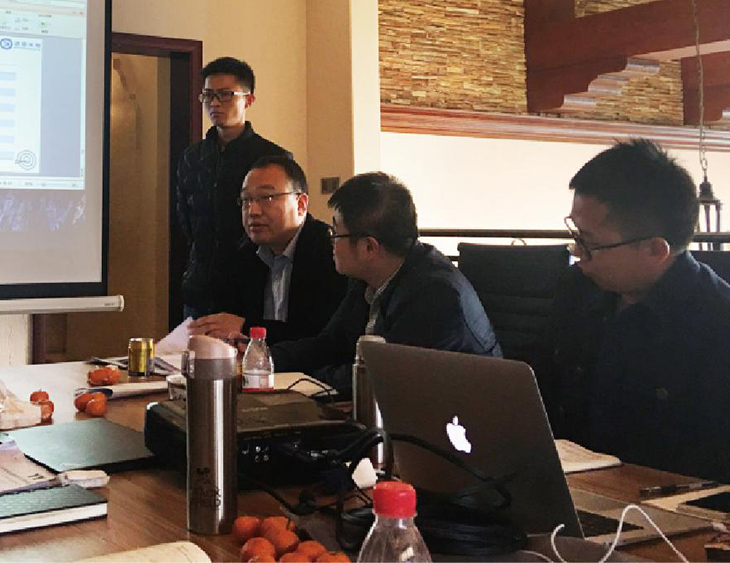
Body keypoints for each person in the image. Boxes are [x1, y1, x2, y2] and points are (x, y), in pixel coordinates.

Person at [550, 139, 730, 485]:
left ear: (655, 250)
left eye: (590, 243)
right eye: (575, 233)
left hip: (666, 507)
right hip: (573, 489)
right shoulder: (578, 291)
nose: (576, 251)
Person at [270, 172, 500, 397]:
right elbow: (330, 344)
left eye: (335, 233)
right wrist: (267, 359)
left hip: (461, 414)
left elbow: (383, 377)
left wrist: (308, 378)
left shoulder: (436, 295)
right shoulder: (367, 276)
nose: (331, 242)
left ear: (369, 247)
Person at [176, 56, 291, 319]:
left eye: (225, 95)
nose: (215, 103)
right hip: (199, 289)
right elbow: (185, 221)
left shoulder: (273, 158)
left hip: (252, 286)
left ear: (248, 100)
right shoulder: (192, 157)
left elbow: (283, 225)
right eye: (208, 95)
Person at [190, 156, 347, 344]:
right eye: (246, 200)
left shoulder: (331, 252)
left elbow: (322, 338)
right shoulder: (241, 255)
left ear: (301, 204)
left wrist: (246, 328)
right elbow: (224, 319)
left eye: (267, 198)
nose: (253, 211)